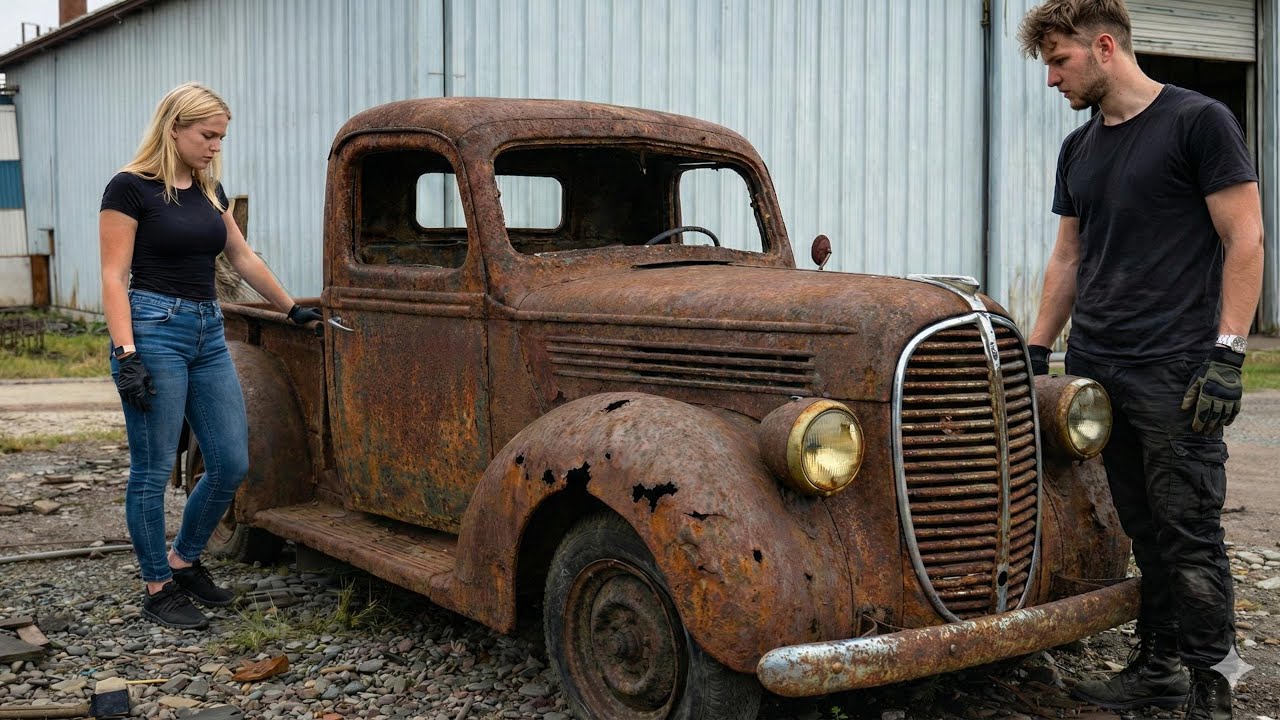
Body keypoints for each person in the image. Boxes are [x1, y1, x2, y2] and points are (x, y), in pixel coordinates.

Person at [1017, 2, 1264, 718]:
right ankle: (1159, 666)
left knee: (1190, 528)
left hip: (1176, 365)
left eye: (1060, 61)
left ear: (1103, 48)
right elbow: (1068, 255)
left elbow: (1245, 238)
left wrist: (1227, 353)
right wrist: (1038, 348)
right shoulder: (1080, 148)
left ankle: (1214, 688)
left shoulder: (1198, 122)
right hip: (1100, 362)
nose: (1052, 79)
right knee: (1140, 525)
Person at [99, 83, 321, 630]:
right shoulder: (129, 189)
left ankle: (183, 559)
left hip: (207, 328)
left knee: (231, 460)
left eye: (221, 136)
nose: (216, 146)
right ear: (174, 128)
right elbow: (113, 275)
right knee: (151, 471)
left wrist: (292, 308)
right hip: (153, 329)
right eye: (208, 135)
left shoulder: (209, 191)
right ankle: (157, 586)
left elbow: (241, 257)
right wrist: (127, 352)